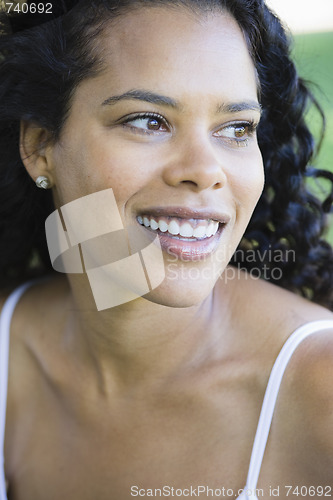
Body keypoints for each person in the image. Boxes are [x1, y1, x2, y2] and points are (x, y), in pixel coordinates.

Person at [0, 0, 332, 498]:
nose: (204, 168)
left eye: (236, 128)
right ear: (41, 143)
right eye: (149, 121)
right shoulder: (7, 346)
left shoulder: (320, 394)